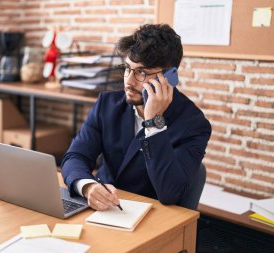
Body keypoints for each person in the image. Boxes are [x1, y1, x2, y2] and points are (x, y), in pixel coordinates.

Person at [61, 24, 212, 211]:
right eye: (127, 68)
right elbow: (75, 156)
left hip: (152, 215)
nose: (128, 81)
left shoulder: (193, 124)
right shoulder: (107, 105)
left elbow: (170, 193)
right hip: (103, 208)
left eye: (141, 72)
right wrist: (87, 186)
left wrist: (154, 123)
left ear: (170, 77)